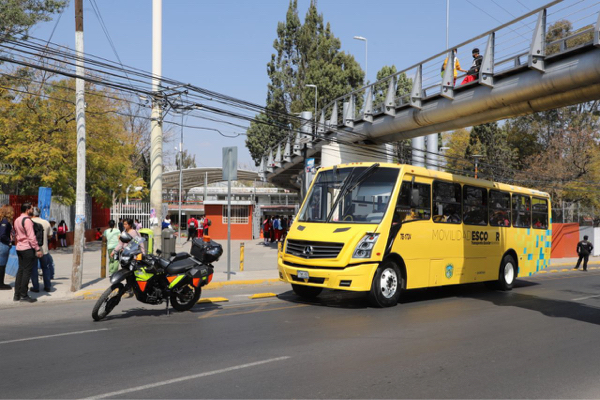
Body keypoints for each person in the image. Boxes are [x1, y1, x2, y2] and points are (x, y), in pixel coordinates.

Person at [13, 202, 41, 303]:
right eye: (32, 208)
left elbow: (15, 234)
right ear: (27, 209)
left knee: (20, 271)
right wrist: (37, 249)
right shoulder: (27, 221)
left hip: (19, 248)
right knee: (26, 272)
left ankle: (17, 295)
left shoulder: (17, 220)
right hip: (27, 248)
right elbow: (31, 237)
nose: (32, 210)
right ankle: (24, 295)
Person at [30, 207, 52, 293]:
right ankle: (47, 286)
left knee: (34, 268)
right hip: (44, 249)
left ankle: (36, 287)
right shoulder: (45, 222)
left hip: (33, 250)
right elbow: (50, 235)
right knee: (45, 268)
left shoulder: (30, 222)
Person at [0, 205, 14, 290]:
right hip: (3, 245)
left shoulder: (2, 220)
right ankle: (1, 284)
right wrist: (9, 241)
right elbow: (2, 235)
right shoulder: (5, 221)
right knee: (2, 265)